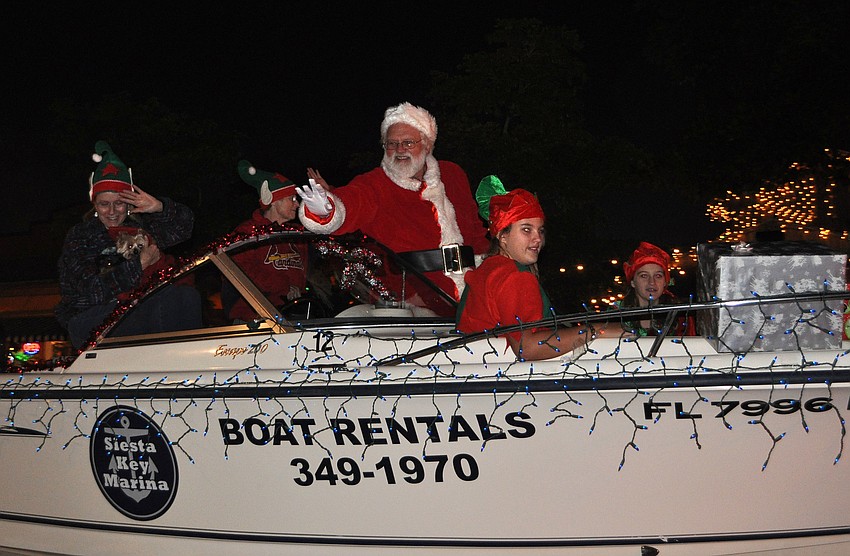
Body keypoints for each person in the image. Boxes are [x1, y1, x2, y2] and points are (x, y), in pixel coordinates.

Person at [296, 102, 489, 311]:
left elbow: (475, 233)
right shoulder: (376, 184)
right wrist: (325, 210)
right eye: (391, 144)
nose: (399, 150)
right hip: (416, 304)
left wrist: (489, 272)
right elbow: (351, 202)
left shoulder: (452, 174)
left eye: (408, 143)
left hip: (474, 293)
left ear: (427, 145)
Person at [55, 141, 201, 349]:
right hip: (90, 318)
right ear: (94, 205)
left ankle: (190, 363)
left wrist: (159, 207)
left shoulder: (142, 228)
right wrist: (138, 265)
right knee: (165, 300)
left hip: (138, 305)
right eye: (105, 204)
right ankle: (165, 365)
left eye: (119, 203)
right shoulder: (81, 236)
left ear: (130, 204)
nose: (112, 211)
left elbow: (184, 228)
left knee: (187, 296)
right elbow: (91, 291)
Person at [456, 176, 607, 361]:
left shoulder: (488, 269)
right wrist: (596, 330)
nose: (538, 239)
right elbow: (527, 348)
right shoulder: (515, 276)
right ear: (502, 236)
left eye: (540, 230)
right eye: (526, 230)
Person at [225, 160, 308, 322]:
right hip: (255, 319)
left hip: (295, 314)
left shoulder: (297, 235)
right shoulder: (247, 233)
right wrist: (283, 288)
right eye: (291, 199)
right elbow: (239, 272)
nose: (297, 204)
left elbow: (302, 276)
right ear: (274, 201)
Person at [618, 241, 695, 336]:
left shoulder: (680, 316)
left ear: (665, 282)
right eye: (644, 276)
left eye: (658, 276)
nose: (652, 282)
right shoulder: (617, 312)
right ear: (633, 282)